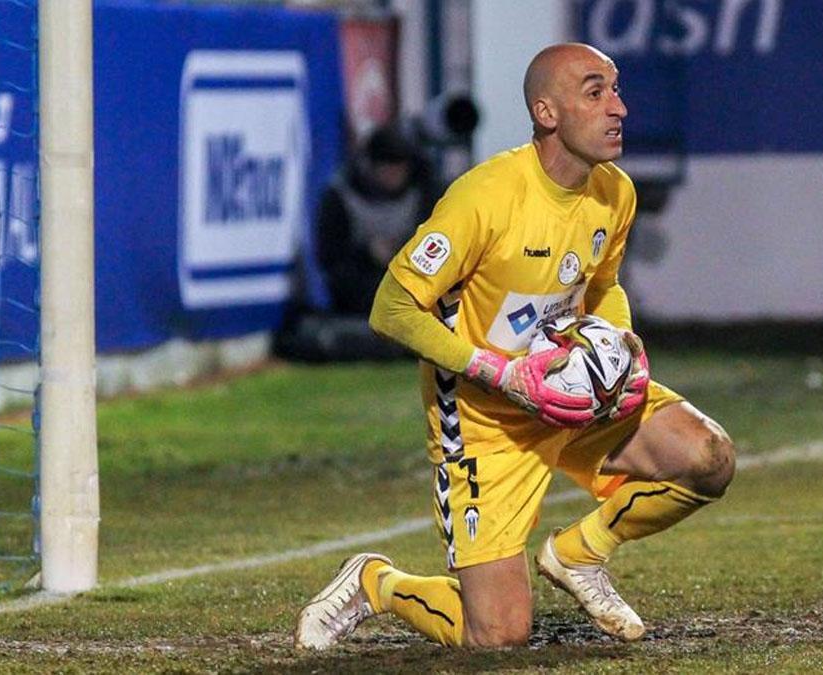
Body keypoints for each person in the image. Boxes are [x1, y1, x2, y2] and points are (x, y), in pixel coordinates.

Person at [294, 43, 736, 649]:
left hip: (575, 394)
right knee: (497, 635)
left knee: (708, 457)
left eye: (616, 90)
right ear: (546, 113)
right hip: (487, 420)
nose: (620, 108)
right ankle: (378, 584)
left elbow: (602, 287)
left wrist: (623, 349)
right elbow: (390, 308)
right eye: (595, 92)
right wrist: (499, 374)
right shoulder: (486, 197)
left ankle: (578, 556)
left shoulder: (615, 193)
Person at [316, 124, 439, 315]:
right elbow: (330, 260)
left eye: (399, 171)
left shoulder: (424, 195)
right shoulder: (341, 198)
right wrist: (367, 254)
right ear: (371, 167)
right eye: (388, 171)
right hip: (359, 296)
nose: (394, 177)